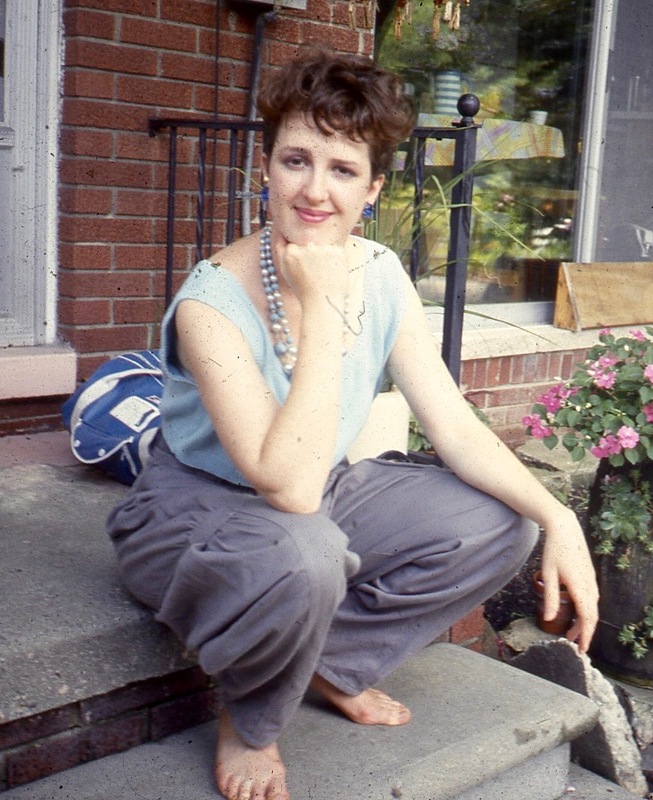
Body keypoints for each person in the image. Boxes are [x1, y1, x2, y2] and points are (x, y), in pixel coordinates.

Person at [107, 51, 599, 800]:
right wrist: (323, 307)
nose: (315, 189)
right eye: (296, 160)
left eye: (342, 169)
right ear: (265, 166)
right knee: (305, 552)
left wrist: (559, 518)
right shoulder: (212, 302)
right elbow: (291, 489)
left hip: (317, 499)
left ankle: (328, 664)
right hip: (193, 512)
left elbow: (453, 425)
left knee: (504, 521)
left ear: (371, 189)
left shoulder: (381, 272)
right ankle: (252, 719)